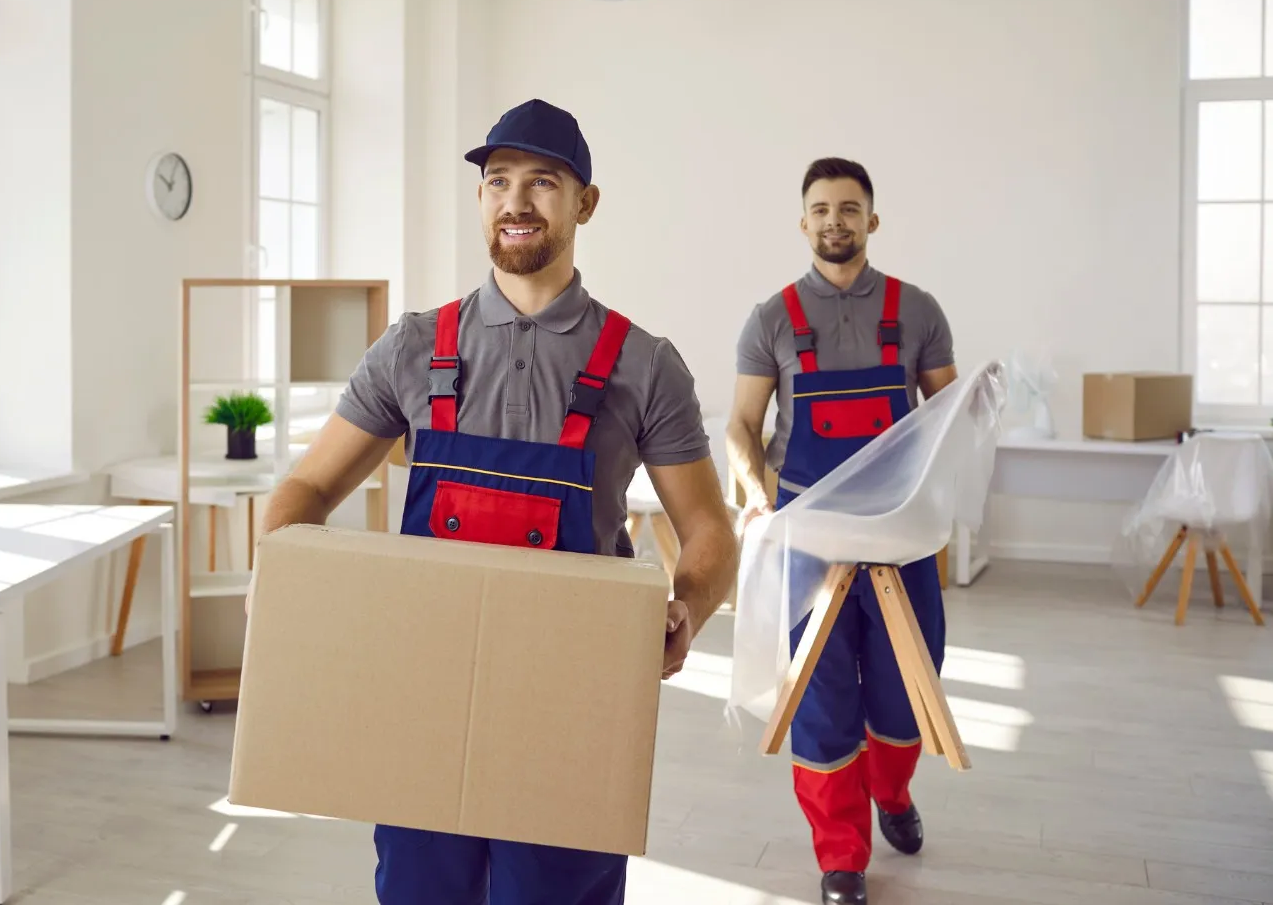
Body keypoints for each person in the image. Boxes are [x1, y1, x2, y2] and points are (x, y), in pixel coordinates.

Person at [250, 98, 739, 905]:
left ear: (585, 204)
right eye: (499, 181)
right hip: (423, 694)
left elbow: (709, 530)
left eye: (542, 183)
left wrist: (688, 607)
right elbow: (308, 487)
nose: (516, 201)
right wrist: (283, 578)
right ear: (481, 200)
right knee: (418, 892)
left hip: (575, 700)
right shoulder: (413, 347)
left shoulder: (644, 365)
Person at [725, 157, 958, 905]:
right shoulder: (771, 320)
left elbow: (946, 418)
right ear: (804, 222)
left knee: (902, 693)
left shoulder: (917, 311)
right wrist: (755, 495)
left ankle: (892, 794)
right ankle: (840, 857)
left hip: (898, 542)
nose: (835, 221)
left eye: (849, 208)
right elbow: (740, 426)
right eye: (822, 209)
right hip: (811, 539)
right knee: (824, 700)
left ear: (872, 220)